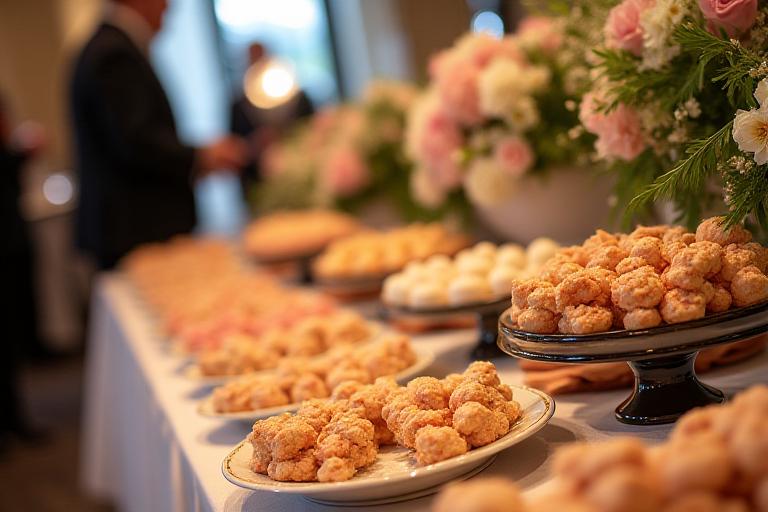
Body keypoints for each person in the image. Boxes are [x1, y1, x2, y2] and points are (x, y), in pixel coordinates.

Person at [71, 0, 246, 269]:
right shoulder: (113, 52)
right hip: (134, 230)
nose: (169, 6)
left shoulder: (111, 46)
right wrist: (201, 156)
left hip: (131, 230)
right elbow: (136, 141)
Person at [0, 95, 46, 452]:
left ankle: (14, 420)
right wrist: (20, 153)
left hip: (11, 242)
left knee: (11, 339)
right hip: (6, 244)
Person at [230, 42, 314, 199]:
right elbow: (235, 147)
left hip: (298, 179)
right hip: (258, 186)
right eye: (252, 60)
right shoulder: (237, 106)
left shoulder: (298, 98)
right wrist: (255, 143)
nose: (258, 64)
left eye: (262, 58)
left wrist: (284, 135)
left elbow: (312, 129)